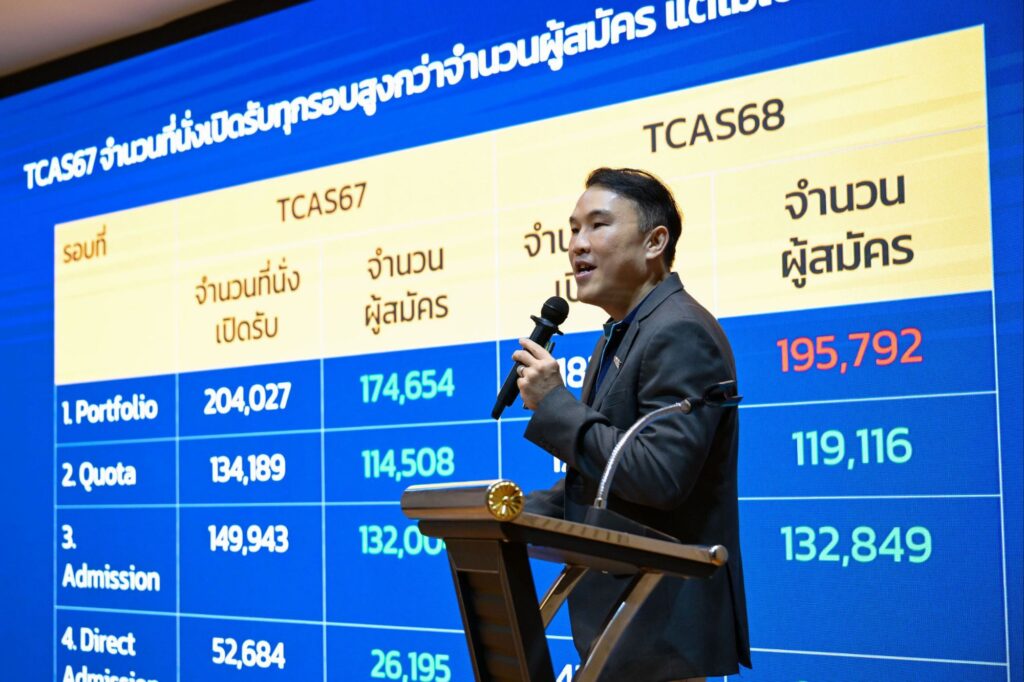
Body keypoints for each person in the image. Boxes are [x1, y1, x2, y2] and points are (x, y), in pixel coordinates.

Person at [511, 168, 751, 681]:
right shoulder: (619, 334)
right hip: (623, 627)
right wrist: (505, 512)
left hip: (662, 628)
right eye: (573, 229)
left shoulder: (680, 331)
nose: (577, 244)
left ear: (654, 242)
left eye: (598, 226)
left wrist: (554, 403)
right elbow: (603, 484)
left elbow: (657, 476)